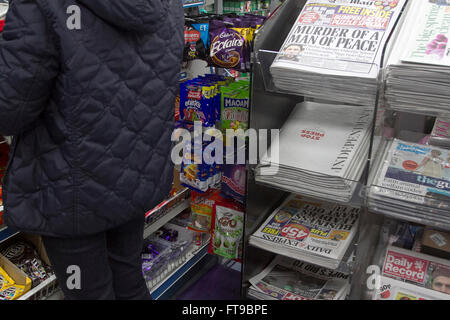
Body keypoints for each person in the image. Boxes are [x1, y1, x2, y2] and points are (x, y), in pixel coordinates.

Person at [0, 0, 183, 300]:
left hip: (71, 188)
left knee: (89, 292)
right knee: (129, 279)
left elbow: (10, 110)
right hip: (134, 174)